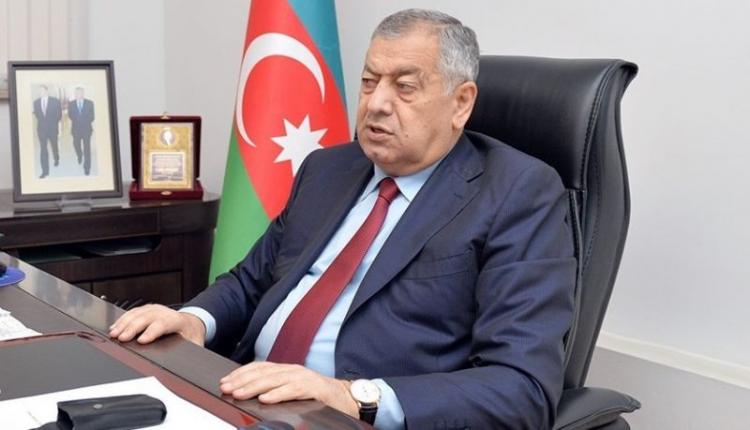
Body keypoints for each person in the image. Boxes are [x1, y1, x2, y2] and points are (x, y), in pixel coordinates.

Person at [110, 9, 576, 429]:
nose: (376, 103)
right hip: (247, 399)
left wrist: (352, 396)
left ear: (461, 103)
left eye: (404, 87)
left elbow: (521, 388)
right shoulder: (328, 169)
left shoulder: (517, 193)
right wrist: (194, 320)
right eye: (370, 82)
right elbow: (252, 282)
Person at [32, 85, 62, 178]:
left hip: (52, 128)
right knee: (43, 149)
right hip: (41, 129)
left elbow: (59, 115)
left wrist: (52, 123)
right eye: (39, 91)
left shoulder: (55, 101)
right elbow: (37, 115)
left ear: (47, 91)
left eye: (42, 90)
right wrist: (44, 123)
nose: (41, 92)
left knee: (54, 145)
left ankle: (56, 158)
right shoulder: (36, 102)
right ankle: (45, 171)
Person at [68, 86, 95, 175]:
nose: (77, 94)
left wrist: (83, 120)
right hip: (76, 129)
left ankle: (87, 167)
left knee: (87, 148)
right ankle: (79, 155)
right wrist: (77, 120)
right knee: (76, 144)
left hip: (86, 129)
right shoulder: (71, 104)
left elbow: (92, 117)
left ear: (83, 93)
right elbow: (70, 115)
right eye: (76, 93)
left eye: (79, 93)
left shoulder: (90, 103)